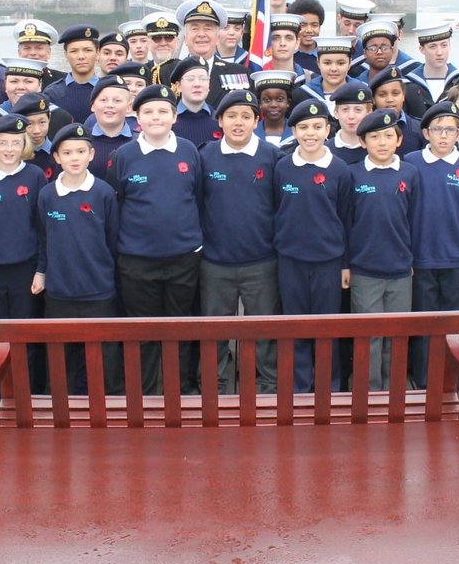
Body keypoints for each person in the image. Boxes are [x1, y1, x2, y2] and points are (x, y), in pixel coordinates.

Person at [108, 84, 204, 394]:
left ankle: (181, 391)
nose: (156, 117)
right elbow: (117, 205)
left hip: (184, 257)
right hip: (137, 260)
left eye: (163, 111)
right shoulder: (123, 155)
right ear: (137, 118)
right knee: (143, 329)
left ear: (175, 117)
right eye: (148, 111)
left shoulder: (189, 151)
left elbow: (197, 197)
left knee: (181, 326)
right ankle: (145, 393)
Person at [198, 89, 282, 392]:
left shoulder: (272, 156)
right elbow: (197, 202)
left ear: (256, 121)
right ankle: (214, 388)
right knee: (214, 331)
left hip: (261, 260)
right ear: (220, 120)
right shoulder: (205, 155)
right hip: (215, 262)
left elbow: (280, 205)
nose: (238, 122)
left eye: (246, 116)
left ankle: (269, 387)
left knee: (264, 330)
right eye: (231, 116)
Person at [34, 123, 123, 395]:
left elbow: (113, 240)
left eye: (81, 151)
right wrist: (42, 272)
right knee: (62, 360)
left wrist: (110, 280)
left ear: (91, 154)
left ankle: (111, 408)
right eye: (67, 152)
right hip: (60, 292)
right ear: (56, 157)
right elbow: (44, 239)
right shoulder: (47, 195)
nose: (74, 158)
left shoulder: (103, 192)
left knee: (107, 358)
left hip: (99, 290)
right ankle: (64, 410)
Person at [273, 99, 353, 391]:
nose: (310, 133)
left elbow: (346, 217)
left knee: (326, 326)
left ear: (327, 130)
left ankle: (329, 386)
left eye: (317, 127)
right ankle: (298, 387)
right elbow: (277, 209)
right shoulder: (283, 167)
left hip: (328, 261)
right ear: (293, 131)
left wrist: (345, 264)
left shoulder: (340, 169)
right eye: (303, 127)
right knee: (295, 324)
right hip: (290, 259)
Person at [405, 100, 459, 389]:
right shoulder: (411, 162)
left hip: (455, 259)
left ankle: (451, 377)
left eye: (450, 130)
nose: (443, 135)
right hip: (420, 258)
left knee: (453, 323)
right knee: (424, 321)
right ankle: (424, 378)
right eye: (437, 129)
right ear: (426, 133)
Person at [0, 113, 48, 393]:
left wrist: (41, 270)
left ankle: (29, 395)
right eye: (3, 142)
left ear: (24, 145)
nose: (9, 149)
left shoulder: (35, 176)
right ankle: (1, 396)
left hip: (25, 271)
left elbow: (43, 229)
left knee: (25, 335)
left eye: (16, 143)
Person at [344, 109, 418, 390]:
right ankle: (369, 391)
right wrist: (346, 264)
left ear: (399, 140)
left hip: (400, 270)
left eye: (389, 136)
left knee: (396, 334)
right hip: (364, 271)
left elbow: (415, 219)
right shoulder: (353, 174)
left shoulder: (409, 174)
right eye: (374, 137)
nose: (382, 142)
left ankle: (393, 390)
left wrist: (412, 260)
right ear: (363, 142)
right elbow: (346, 222)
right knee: (369, 335)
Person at [176, 0, 253, 103]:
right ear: (185, 38)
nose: (201, 34)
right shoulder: (168, 73)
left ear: (217, 38)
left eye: (208, 28)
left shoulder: (240, 74)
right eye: (194, 28)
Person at [44, 24, 102, 121]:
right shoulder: (53, 93)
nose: (81, 56)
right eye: (74, 51)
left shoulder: (108, 90)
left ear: (97, 54)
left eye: (87, 50)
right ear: (66, 55)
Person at [85, 75, 136, 179]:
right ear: (92, 105)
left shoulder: (140, 142)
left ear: (128, 107)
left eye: (117, 101)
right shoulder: (81, 141)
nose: (110, 105)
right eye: (103, 100)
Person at [406, 22, 459, 106]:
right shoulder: (408, 84)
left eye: (444, 45)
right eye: (433, 46)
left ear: (449, 46)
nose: (439, 52)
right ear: (422, 49)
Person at [169, 56, 222, 147]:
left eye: (203, 79)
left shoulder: (220, 120)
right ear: (178, 86)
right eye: (190, 79)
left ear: (209, 84)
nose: (197, 84)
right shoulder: (169, 121)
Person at [369, 66, 425, 150]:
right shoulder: (366, 128)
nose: (390, 99)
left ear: (403, 95)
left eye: (395, 93)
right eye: (382, 95)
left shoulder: (418, 129)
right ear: (373, 99)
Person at [327, 80, 373, 164]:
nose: (351, 116)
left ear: (369, 113)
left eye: (358, 110)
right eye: (345, 109)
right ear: (336, 113)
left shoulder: (378, 149)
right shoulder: (325, 151)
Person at [301, 35, 355, 107]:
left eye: (340, 63)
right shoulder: (304, 94)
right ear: (318, 62)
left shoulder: (361, 90)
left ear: (349, 63)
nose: (334, 69)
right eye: (327, 63)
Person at [13, 19, 64, 84]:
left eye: (39, 48)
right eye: (27, 48)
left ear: (49, 52)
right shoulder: (8, 81)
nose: (32, 53)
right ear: (19, 53)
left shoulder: (64, 81)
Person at [252, 70, 296, 145]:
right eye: (267, 100)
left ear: (288, 102)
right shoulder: (251, 132)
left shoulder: (297, 132)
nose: (273, 105)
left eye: (280, 99)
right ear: (259, 103)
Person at [287, 0, 326, 74]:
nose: (309, 30)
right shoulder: (286, 56)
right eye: (303, 25)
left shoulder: (326, 56)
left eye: (314, 25)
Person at [267, 13, 310, 80]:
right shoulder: (254, 78)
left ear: (297, 43)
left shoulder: (311, 79)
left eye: (289, 38)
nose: (282, 43)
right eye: (275, 38)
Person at [141, 11, 180, 77]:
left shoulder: (187, 70)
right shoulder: (142, 73)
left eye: (168, 37)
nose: (163, 43)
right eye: (157, 38)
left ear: (177, 43)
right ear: (148, 44)